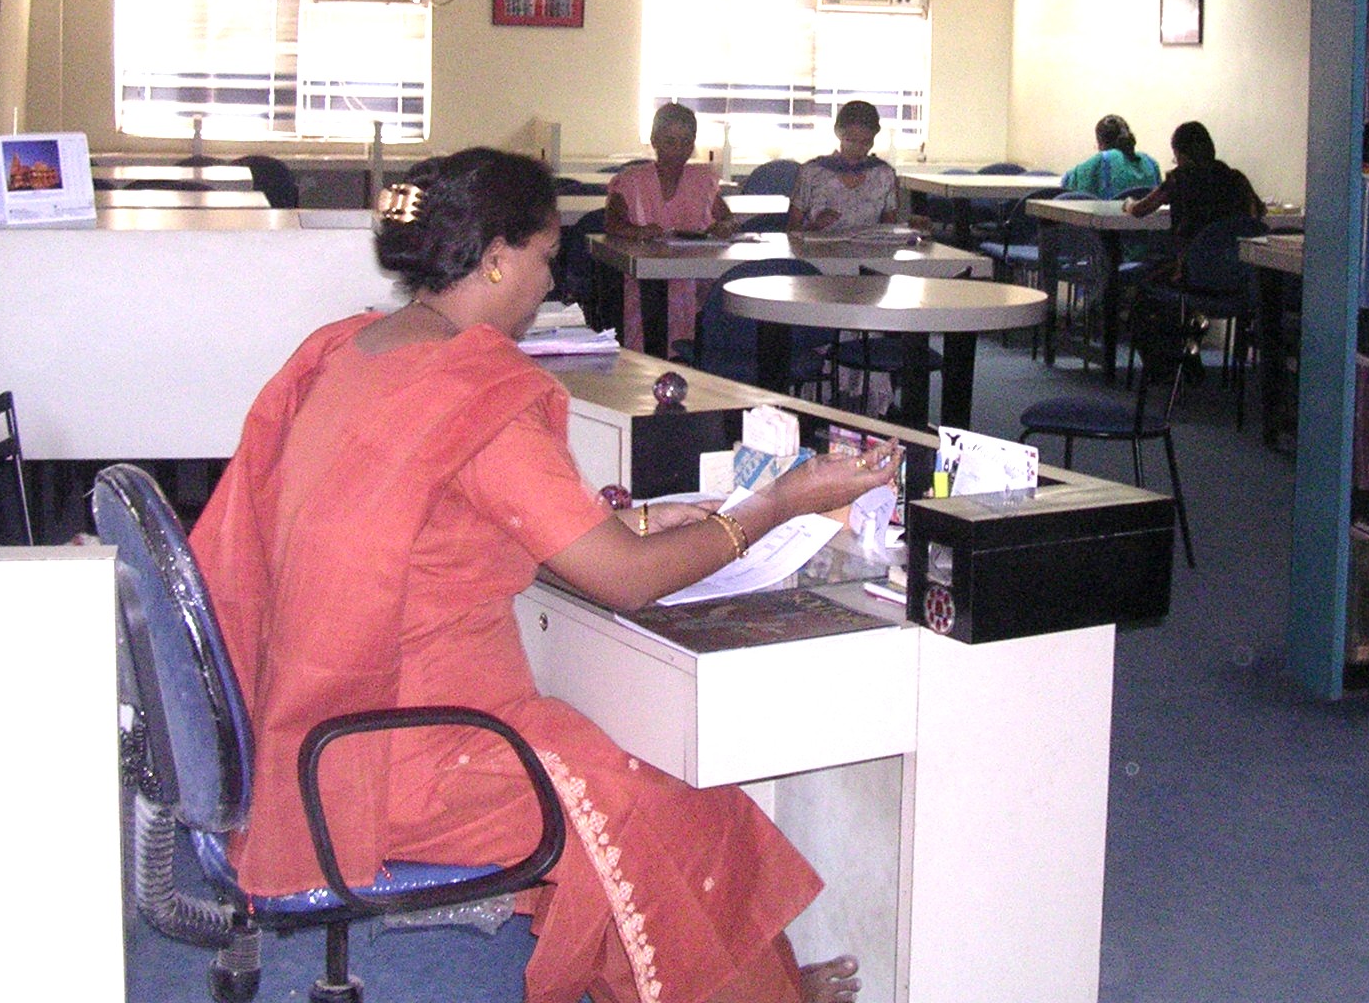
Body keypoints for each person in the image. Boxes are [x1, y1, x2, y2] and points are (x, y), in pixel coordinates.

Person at [189, 148, 896, 1003]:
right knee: (652, 812)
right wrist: (776, 503)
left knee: (653, 804)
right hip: (412, 746)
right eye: (545, 256)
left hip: (320, 713)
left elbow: (432, 516)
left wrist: (630, 521)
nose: (549, 279)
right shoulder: (474, 389)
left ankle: (758, 985)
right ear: (495, 257)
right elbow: (625, 582)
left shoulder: (350, 349)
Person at [604, 102, 736, 352]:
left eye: (686, 143)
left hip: (696, 284)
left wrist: (725, 226)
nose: (679, 150)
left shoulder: (701, 180)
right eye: (670, 142)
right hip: (646, 283)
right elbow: (612, 223)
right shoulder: (632, 181)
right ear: (654, 141)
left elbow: (727, 218)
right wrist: (638, 231)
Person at [1123, 120, 1264, 262]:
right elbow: (1259, 212)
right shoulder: (1236, 178)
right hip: (1236, 267)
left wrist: (1128, 203)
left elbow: (1139, 210)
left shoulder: (1178, 180)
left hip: (1191, 265)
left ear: (1183, 156)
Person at [788, 99, 901, 233]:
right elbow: (792, 230)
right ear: (839, 135)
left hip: (868, 251)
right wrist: (814, 226)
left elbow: (889, 229)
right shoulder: (813, 172)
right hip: (820, 250)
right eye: (851, 141)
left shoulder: (883, 174)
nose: (858, 148)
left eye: (865, 142)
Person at [1060, 113, 1161, 199]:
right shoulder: (1150, 163)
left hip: (1112, 221)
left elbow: (1067, 181)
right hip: (1148, 221)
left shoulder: (1104, 159)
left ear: (1101, 143)